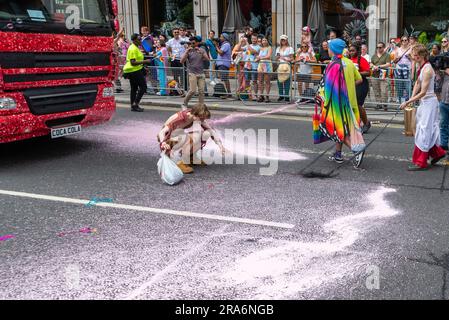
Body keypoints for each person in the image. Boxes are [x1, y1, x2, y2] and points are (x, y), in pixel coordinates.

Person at [317, 38, 365, 167]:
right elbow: (360, 79)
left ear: (333, 50)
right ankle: (337, 154)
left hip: (337, 103)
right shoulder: (349, 63)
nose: (328, 49)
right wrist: (348, 86)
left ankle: (356, 149)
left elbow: (327, 86)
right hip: (351, 102)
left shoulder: (333, 64)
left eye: (330, 47)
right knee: (343, 128)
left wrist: (321, 98)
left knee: (336, 128)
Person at [399, 44, 447, 170]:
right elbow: (417, 83)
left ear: (420, 56)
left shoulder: (427, 69)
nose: (413, 57)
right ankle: (437, 153)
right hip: (425, 103)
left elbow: (424, 92)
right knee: (422, 128)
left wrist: (408, 102)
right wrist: (411, 98)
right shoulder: (421, 66)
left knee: (424, 130)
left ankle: (421, 161)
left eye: (414, 54)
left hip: (430, 103)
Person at [157, 104, 227, 174]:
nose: (203, 120)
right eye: (201, 118)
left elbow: (211, 130)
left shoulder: (194, 116)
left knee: (205, 133)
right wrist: (163, 143)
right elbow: (161, 132)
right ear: (194, 115)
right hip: (167, 143)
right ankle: (181, 163)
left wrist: (221, 146)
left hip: (176, 138)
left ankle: (191, 158)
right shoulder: (179, 118)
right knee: (189, 138)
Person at [123, 33, 152, 112]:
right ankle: (135, 104)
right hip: (133, 70)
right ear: (134, 40)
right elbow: (133, 62)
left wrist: (143, 67)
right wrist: (145, 61)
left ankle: (133, 105)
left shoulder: (136, 47)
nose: (140, 41)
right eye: (139, 39)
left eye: (140, 39)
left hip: (134, 70)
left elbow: (139, 59)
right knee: (143, 87)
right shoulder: (132, 48)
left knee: (134, 88)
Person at [180, 36, 210, 109]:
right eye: (190, 43)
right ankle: (184, 103)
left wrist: (201, 52)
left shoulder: (202, 50)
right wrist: (186, 51)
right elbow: (181, 61)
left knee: (201, 91)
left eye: (193, 43)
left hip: (201, 73)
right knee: (192, 90)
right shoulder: (188, 51)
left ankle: (201, 106)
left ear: (197, 43)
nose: (192, 45)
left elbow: (207, 59)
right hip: (192, 73)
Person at [349, 43, 371, 133]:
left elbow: (368, 72)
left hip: (362, 84)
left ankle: (366, 123)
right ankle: (356, 123)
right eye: (350, 51)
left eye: (353, 50)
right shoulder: (348, 60)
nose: (351, 52)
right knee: (352, 105)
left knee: (358, 104)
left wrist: (357, 73)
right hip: (352, 84)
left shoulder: (362, 60)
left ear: (357, 51)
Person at [370, 42, 392, 111]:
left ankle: (385, 104)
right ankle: (378, 104)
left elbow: (388, 64)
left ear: (383, 47)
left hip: (383, 75)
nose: (378, 49)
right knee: (376, 90)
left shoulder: (387, 55)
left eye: (380, 47)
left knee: (384, 90)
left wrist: (379, 66)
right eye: (377, 47)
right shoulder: (374, 55)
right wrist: (373, 66)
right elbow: (371, 63)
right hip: (375, 75)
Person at [393, 36, 412, 103]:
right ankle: (400, 99)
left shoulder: (411, 49)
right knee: (399, 84)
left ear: (408, 41)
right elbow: (394, 61)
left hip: (407, 69)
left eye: (406, 40)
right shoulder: (398, 49)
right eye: (403, 40)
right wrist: (397, 58)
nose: (404, 41)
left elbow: (414, 60)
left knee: (407, 85)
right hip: (399, 68)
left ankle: (408, 100)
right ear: (401, 41)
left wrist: (409, 57)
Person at [275, 35, 294, 102]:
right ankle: (281, 95)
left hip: (287, 65)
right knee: (279, 81)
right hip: (280, 66)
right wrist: (278, 58)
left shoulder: (290, 48)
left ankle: (286, 96)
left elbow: (292, 58)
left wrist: (286, 59)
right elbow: (276, 57)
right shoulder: (278, 48)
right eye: (282, 40)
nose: (283, 41)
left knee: (287, 81)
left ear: (286, 40)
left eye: (284, 40)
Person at [243, 34, 261, 101]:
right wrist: (241, 41)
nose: (253, 40)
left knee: (254, 81)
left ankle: (255, 95)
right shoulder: (248, 45)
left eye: (254, 39)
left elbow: (253, 51)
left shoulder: (259, 47)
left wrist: (246, 42)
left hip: (254, 66)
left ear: (257, 39)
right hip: (247, 66)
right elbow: (239, 48)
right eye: (252, 39)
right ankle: (249, 94)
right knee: (247, 81)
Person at [215, 33, 232, 98]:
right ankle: (228, 93)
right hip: (222, 64)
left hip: (223, 64)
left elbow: (221, 53)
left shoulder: (226, 44)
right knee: (225, 79)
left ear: (225, 38)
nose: (220, 38)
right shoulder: (224, 44)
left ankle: (229, 93)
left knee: (225, 79)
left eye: (221, 37)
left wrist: (216, 46)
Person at [256, 37, 273, 103]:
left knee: (267, 81)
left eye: (265, 40)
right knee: (260, 81)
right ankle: (261, 95)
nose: (264, 41)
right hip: (261, 65)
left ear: (267, 41)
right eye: (263, 40)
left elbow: (268, 56)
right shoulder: (260, 48)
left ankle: (267, 96)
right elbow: (257, 56)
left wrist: (260, 57)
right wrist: (257, 58)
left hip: (267, 65)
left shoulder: (269, 47)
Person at [439, 53, 449, 151]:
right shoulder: (444, 72)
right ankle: (443, 145)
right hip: (444, 102)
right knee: (443, 125)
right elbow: (437, 77)